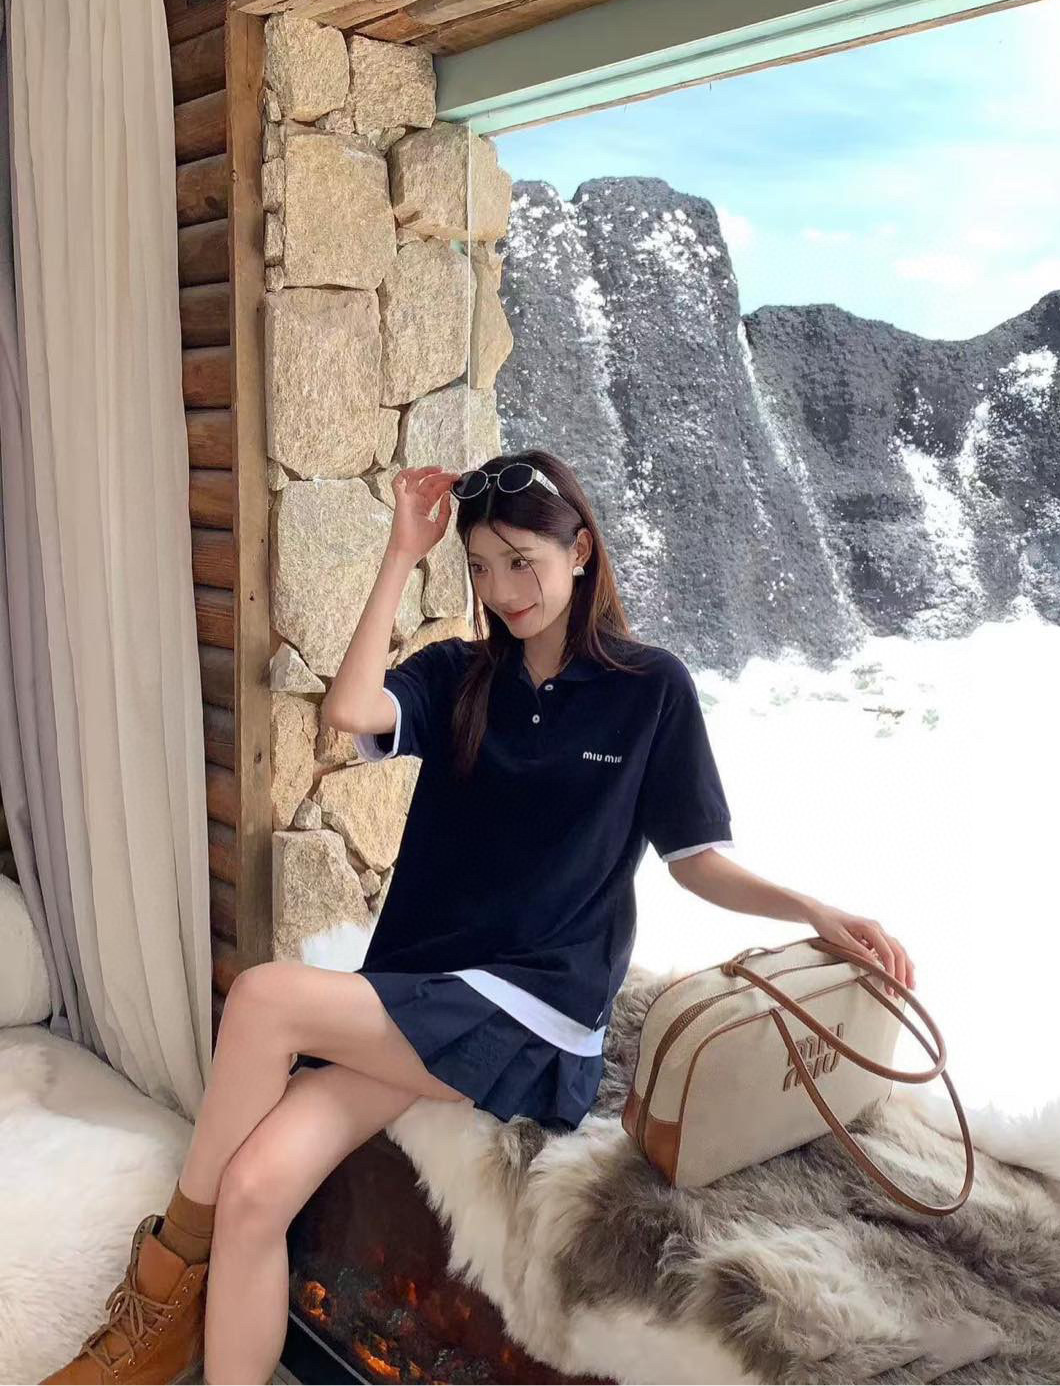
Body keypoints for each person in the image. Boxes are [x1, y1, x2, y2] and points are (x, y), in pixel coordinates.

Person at [43, 449, 915, 1386]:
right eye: (483, 566)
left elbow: (696, 859)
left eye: (523, 563)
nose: (504, 590)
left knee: (262, 997)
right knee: (256, 1189)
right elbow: (350, 708)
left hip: (536, 1014)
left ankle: (160, 1289)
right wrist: (399, 552)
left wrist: (812, 908)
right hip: (422, 993)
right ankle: (188, 1329)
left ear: (580, 551)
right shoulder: (461, 673)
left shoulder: (649, 689)